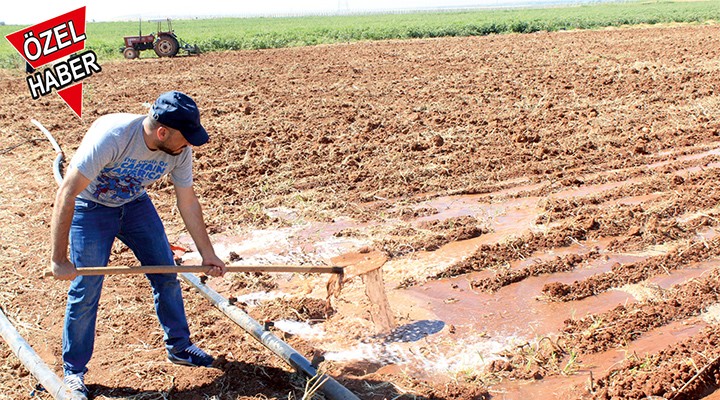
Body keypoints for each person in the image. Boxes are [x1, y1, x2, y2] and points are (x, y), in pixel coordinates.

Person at [49, 90, 227, 400]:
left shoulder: (179, 151)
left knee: (166, 273)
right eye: (185, 138)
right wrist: (58, 259)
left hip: (134, 205)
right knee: (86, 288)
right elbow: (67, 193)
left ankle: (179, 346)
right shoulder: (114, 137)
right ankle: (74, 372)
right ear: (162, 132)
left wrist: (207, 254)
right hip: (90, 208)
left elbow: (187, 201)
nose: (189, 145)